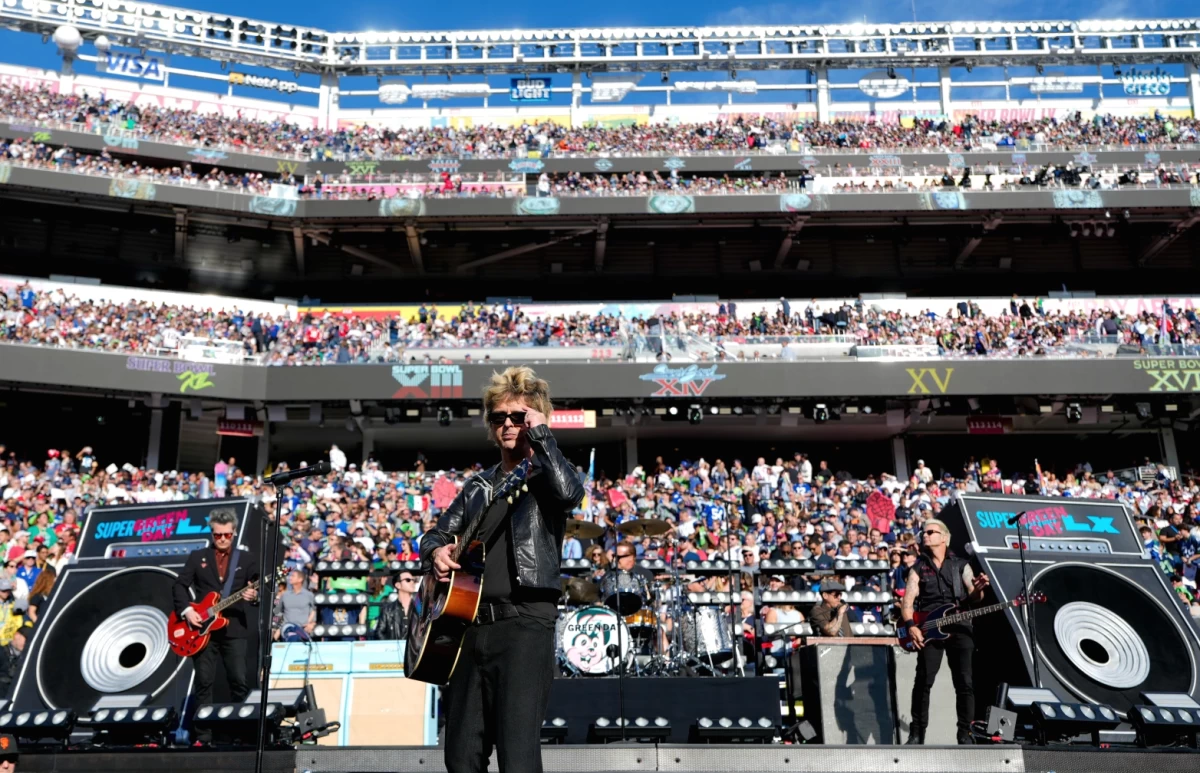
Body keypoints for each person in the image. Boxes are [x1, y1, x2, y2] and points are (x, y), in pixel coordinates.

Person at [423, 366, 584, 773]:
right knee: (461, 757)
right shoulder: (479, 485)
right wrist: (437, 552)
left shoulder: (548, 474)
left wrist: (543, 435)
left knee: (518, 756)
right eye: (500, 418)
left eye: (519, 416)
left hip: (525, 623)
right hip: (468, 625)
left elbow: (569, 494)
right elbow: (435, 535)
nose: (508, 424)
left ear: (534, 419)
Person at [171, 508, 259, 742]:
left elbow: (257, 584)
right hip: (202, 630)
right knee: (203, 683)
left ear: (234, 533)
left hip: (233, 627)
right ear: (212, 533)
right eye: (217, 535)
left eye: (227, 535)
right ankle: (203, 736)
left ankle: (241, 734)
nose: (222, 539)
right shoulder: (197, 556)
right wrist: (188, 610)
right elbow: (179, 586)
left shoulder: (247, 559)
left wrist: (253, 596)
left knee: (239, 682)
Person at [901, 518, 990, 746]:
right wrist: (911, 625)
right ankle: (917, 733)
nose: (925, 535)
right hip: (929, 628)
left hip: (960, 626)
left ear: (944, 537)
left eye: (931, 532)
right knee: (923, 681)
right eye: (923, 533)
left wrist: (979, 590)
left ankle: (965, 733)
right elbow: (908, 600)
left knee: (964, 682)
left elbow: (974, 597)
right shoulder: (918, 568)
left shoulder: (961, 565)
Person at [273, 570, 315, 642]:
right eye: (290, 576)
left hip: (303, 628)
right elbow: (278, 611)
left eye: (293, 576)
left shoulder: (309, 595)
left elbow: (314, 610)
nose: (290, 577)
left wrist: (311, 623)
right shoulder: (285, 595)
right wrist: (276, 627)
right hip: (287, 627)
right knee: (293, 636)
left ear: (300, 579)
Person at [374, 570, 416, 640]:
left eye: (413, 580)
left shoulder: (420, 607)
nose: (412, 582)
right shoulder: (388, 609)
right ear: (398, 585)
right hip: (394, 649)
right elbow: (379, 632)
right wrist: (391, 646)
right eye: (408, 580)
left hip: (415, 650)